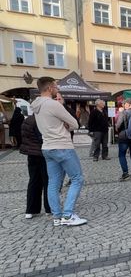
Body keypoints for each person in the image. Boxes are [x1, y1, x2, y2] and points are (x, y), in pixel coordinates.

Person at [31, 77, 86, 227]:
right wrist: (65, 122)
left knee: (53, 183)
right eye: (56, 86)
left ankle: (57, 216)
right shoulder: (53, 104)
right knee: (77, 178)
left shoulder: (36, 106)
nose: (58, 89)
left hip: (47, 147)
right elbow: (75, 123)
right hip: (62, 145)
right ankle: (67, 215)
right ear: (49, 88)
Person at [19, 114, 51, 219]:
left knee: (33, 181)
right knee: (47, 181)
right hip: (42, 153)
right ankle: (48, 208)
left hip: (31, 154)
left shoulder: (28, 120)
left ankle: (31, 209)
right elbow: (42, 138)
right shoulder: (40, 119)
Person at [116, 98, 131, 180]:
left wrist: (117, 130)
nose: (123, 105)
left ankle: (125, 172)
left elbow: (119, 125)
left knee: (122, 155)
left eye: (125, 104)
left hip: (124, 136)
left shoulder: (124, 113)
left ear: (129, 104)